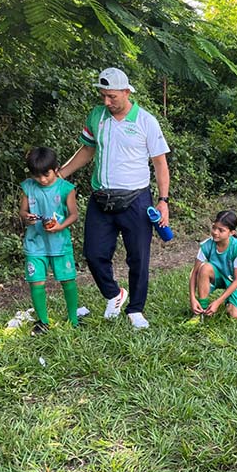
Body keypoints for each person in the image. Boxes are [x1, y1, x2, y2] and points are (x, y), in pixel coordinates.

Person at [59, 67, 170, 329]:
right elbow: (87, 150)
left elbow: (160, 163)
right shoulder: (97, 116)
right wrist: (60, 175)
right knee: (93, 253)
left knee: (138, 257)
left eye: (112, 97)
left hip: (136, 200)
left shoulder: (145, 121)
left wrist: (163, 201)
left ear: (126, 92)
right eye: (103, 96)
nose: (107, 102)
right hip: (101, 198)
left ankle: (136, 310)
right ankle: (114, 294)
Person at [19, 147, 80, 335]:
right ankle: (42, 322)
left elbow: (74, 215)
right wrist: (27, 217)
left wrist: (60, 227)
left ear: (56, 169)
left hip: (60, 244)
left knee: (67, 280)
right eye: (37, 176)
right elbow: (22, 211)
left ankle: (73, 319)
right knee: (36, 281)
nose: (42, 180)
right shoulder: (28, 187)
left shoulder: (66, 188)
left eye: (46, 175)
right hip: (35, 243)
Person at [189, 210, 237, 320]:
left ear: (232, 233)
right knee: (204, 268)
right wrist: (192, 298)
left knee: (236, 316)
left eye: (221, 230)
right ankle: (201, 312)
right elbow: (194, 273)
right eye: (214, 228)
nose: (215, 232)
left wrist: (218, 302)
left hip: (235, 281)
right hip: (218, 276)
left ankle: (229, 300)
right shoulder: (206, 245)